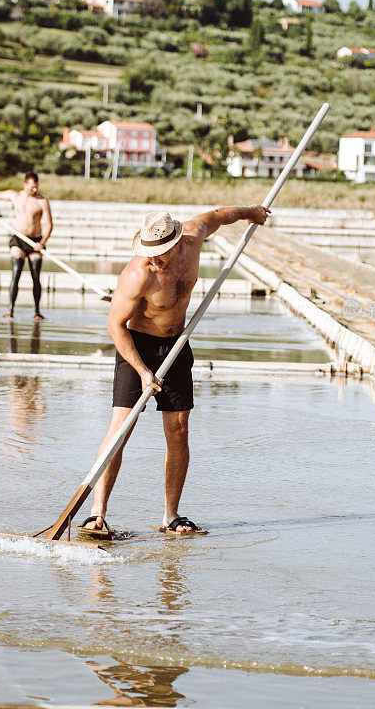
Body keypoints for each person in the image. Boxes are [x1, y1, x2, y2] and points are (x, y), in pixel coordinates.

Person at [79, 205, 270, 538]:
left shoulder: (194, 237)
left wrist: (251, 212)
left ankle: (171, 516)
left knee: (179, 428)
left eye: (159, 254)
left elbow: (220, 216)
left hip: (176, 345)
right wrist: (141, 370)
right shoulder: (138, 274)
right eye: (147, 254)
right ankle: (97, 514)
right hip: (135, 345)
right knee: (121, 428)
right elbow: (115, 325)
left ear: (176, 242)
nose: (153, 260)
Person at [0, 172, 53, 320]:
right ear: (25, 184)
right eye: (32, 187)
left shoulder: (42, 202)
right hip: (19, 240)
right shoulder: (15, 196)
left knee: (36, 275)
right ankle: (10, 310)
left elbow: (49, 224)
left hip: (35, 242)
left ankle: (37, 311)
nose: (35, 190)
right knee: (16, 273)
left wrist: (42, 242)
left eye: (36, 187)